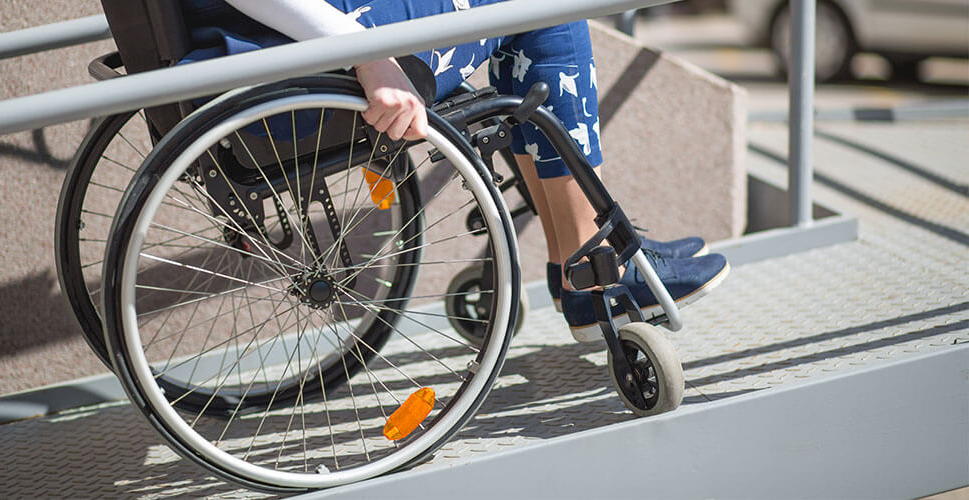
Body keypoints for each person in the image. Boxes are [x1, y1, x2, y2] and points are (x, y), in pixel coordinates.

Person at [180, 0, 729, 341]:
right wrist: (368, 54)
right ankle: (590, 266)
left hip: (272, 39)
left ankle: (577, 257)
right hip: (280, 53)